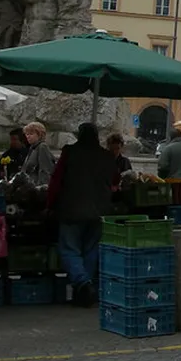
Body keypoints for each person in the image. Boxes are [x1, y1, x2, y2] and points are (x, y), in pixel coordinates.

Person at [46, 123, 118, 306]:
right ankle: (86, 289)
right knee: (91, 249)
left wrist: (50, 204)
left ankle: (82, 283)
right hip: (99, 210)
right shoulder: (107, 156)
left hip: (72, 208)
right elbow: (115, 180)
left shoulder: (70, 152)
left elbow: (56, 180)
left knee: (69, 248)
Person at [21, 121, 56, 186]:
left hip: (37, 187)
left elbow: (45, 170)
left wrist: (41, 187)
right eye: (27, 134)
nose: (28, 136)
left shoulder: (42, 147)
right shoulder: (32, 148)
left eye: (31, 134)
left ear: (39, 135)